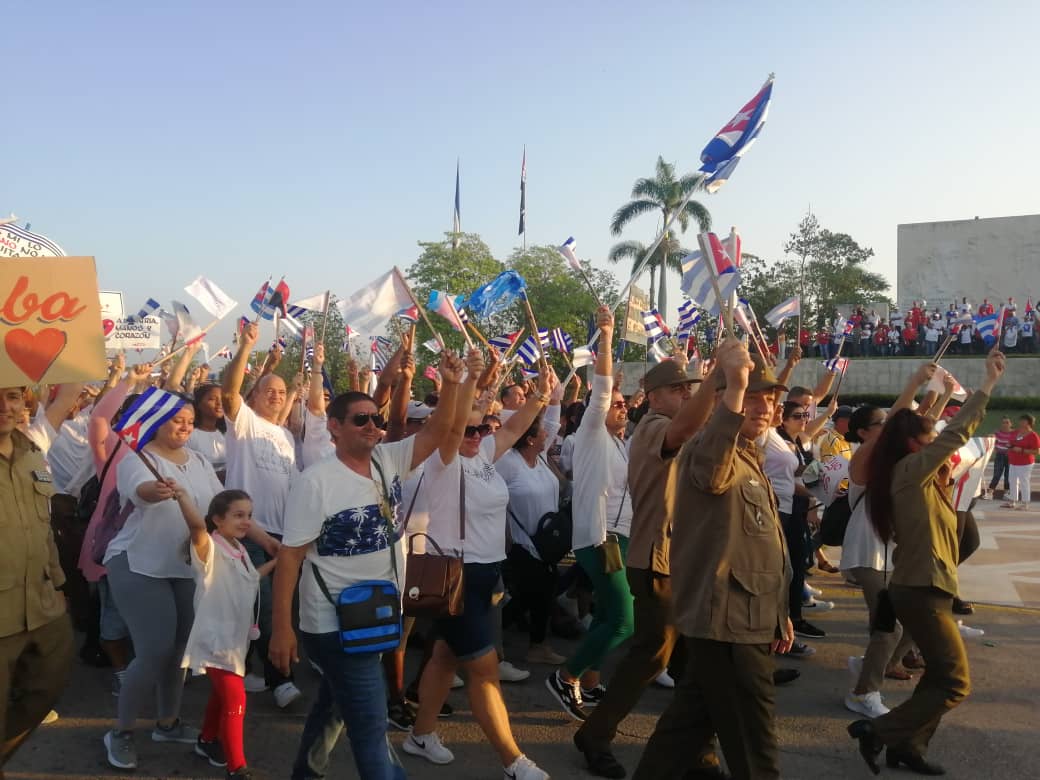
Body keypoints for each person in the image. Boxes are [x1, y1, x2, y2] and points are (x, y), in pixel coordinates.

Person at [269, 350, 465, 780]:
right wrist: (282, 628)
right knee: (371, 724)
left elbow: (439, 429)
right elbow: (290, 557)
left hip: (376, 613)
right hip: (333, 624)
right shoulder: (315, 482)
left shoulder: (387, 460)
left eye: (376, 419)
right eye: (361, 420)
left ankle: (306, 773)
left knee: (335, 705)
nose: (373, 426)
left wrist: (451, 385)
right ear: (334, 428)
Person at [631, 343, 793, 780]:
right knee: (755, 749)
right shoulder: (710, 446)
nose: (765, 407)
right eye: (753, 397)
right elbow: (710, 465)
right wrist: (735, 385)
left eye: (771, 399)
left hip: (745, 614)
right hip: (729, 620)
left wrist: (779, 611)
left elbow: (760, 545)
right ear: (723, 399)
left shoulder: (748, 454)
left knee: (684, 730)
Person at [848, 347, 1005, 776]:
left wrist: (930, 396)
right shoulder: (907, 471)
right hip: (920, 589)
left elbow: (936, 432)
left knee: (939, 676)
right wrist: (987, 384)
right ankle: (879, 732)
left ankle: (907, 748)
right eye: (927, 436)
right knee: (956, 682)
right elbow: (955, 434)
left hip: (927, 585)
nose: (936, 440)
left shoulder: (917, 476)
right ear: (913, 445)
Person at [405, 351, 551, 780]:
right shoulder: (443, 461)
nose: (476, 434)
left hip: (486, 571)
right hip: (454, 574)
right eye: (468, 429)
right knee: (484, 671)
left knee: (446, 657)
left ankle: (420, 734)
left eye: (481, 427)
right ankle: (513, 760)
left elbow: (513, 426)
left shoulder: (484, 454)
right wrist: (466, 379)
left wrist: (541, 395)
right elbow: (451, 427)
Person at [574, 355, 718, 779]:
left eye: (688, 388)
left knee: (695, 663)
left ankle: (698, 752)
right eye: (678, 389)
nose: (687, 394)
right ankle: (595, 734)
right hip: (656, 559)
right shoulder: (655, 428)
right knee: (651, 657)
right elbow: (687, 427)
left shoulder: (680, 430)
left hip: (683, 560)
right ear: (652, 396)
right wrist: (713, 381)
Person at [102, 393, 224, 771]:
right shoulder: (138, 459)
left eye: (189, 420)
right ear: (157, 421)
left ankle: (167, 723)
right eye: (177, 420)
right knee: (154, 649)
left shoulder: (200, 460)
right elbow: (140, 491)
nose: (185, 426)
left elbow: (220, 508)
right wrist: (154, 491)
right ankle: (120, 732)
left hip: (185, 567)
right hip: (138, 564)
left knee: (180, 650)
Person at [546, 306, 635, 722]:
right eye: (615, 404)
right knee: (623, 620)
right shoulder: (592, 434)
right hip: (600, 536)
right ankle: (567, 676)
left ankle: (594, 682)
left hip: (623, 535)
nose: (622, 408)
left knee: (605, 612)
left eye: (623, 404)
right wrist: (606, 335)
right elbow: (601, 389)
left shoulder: (622, 443)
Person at [840, 364, 935, 721]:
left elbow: (915, 427)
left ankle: (869, 666)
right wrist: (913, 382)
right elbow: (896, 426)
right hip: (868, 555)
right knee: (888, 626)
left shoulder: (897, 463)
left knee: (916, 618)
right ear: (866, 432)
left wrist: (935, 394)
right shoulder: (863, 463)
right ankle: (863, 693)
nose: (886, 429)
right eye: (879, 425)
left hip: (891, 556)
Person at [222, 321, 301, 707]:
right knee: (267, 607)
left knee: (277, 608)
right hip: (248, 532)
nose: (276, 396)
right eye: (268, 390)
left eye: (282, 392)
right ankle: (280, 680)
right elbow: (228, 391)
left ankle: (255, 670)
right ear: (253, 397)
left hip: (286, 535)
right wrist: (246, 347)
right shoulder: (243, 423)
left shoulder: (286, 437)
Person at [176, 489, 275, 779]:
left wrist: (281, 560)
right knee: (236, 700)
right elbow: (196, 526)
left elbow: (250, 579)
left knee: (221, 697)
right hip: (216, 640)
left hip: (236, 639)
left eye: (249, 516)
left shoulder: (238, 547)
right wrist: (181, 496)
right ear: (217, 520)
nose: (246, 522)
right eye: (238, 515)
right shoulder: (209, 548)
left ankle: (207, 741)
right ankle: (237, 768)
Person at [0, 384, 74, 769]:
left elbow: (41, 526)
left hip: (42, 605)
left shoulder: (31, 452)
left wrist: (59, 583)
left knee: (47, 685)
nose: (5, 406)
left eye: (12, 396)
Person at [763, 398, 836, 644]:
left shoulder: (789, 441)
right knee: (782, 572)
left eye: (806, 415)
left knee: (793, 567)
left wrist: (826, 491)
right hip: (776, 513)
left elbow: (796, 477)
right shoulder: (764, 437)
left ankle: (788, 625)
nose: (804, 420)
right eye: (798, 416)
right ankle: (778, 633)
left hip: (791, 510)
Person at [187, 383, 227, 481]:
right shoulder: (189, 435)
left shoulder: (227, 434)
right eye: (212, 399)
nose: (219, 403)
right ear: (199, 404)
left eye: (222, 399)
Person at [1002, 414, 1039, 510]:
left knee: (1024, 482)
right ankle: (1012, 501)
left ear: (1030, 423)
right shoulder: (1016, 432)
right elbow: (1011, 441)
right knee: (1012, 481)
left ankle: (1025, 503)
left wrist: (1021, 450)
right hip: (1013, 461)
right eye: (1021, 420)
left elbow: (1036, 451)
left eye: (1024, 420)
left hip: (1025, 463)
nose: (1021, 422)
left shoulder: (1033, 436)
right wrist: (1009, 445)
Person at [985, 416, 1013, 499]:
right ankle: (990, 493)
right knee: (997, 474)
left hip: (1010, 457)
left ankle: (1007, 493)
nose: (1005, 424)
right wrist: (990, 437)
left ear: (1011, 424)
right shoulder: (997, 433)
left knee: (1008, 475)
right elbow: (991, 440)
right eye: (1003, 422)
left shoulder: (1014, 433)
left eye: (1007, 422)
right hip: (999, 456)